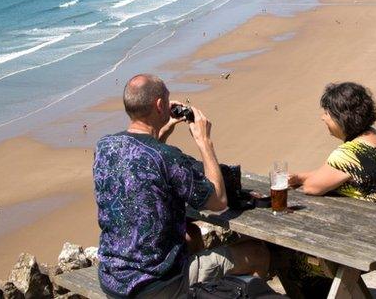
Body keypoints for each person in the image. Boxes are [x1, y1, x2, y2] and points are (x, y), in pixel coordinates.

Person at [94, 74, 269, 299]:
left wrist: (160, 133)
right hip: (157, 285)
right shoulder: (167, 158)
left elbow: (142, 166)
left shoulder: (104, 147)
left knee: (191, 234)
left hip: (112, 280)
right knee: (257, 253)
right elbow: (217, 200)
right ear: (160, 106)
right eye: (166, 101)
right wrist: (204, 141)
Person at [288, 82, 376, 206]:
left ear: (342, 118)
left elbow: (311, 187)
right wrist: (299, 177)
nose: (323, 117)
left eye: (327, 113)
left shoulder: (351, 153)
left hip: (371, 218)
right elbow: (336, 172)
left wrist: (303, 181)